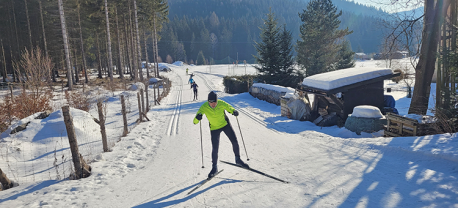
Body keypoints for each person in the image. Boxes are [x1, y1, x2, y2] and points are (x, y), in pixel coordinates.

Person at [194, 91, 249, 178]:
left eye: (214, 102)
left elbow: (229, 107)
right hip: (214, 128)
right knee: (215, 148)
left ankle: (238, 159)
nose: (213, 104)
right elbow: (195, 121)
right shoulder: (204, 107)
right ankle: (214, 168)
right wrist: (198, 118)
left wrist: (233, 111)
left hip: (225, 125)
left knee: (234, 141)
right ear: (208, 101)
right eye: (211, 102)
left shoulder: (221, 103)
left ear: (217, 100)